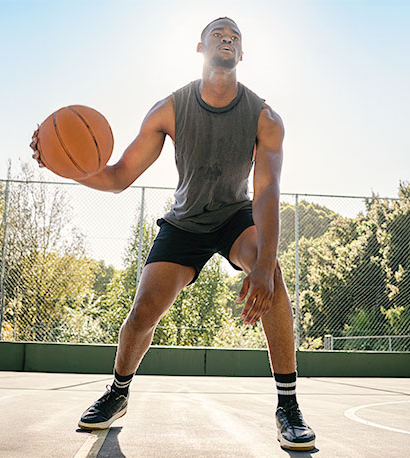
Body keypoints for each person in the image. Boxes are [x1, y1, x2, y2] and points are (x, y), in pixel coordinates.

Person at [31, 17, 315, 451]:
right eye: (218, 34)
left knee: (270, 272)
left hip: (234, 217)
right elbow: (118, 176)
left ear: (242, 53)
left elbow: (266, 192)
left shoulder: (264, 117)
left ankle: (288, 406)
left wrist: (262, 267)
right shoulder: (169, 109)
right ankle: (118, 393)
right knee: (142, 312)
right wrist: (63, 165)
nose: (226, 39)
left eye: (234, 37)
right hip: (184, 222)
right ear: (200, 47)